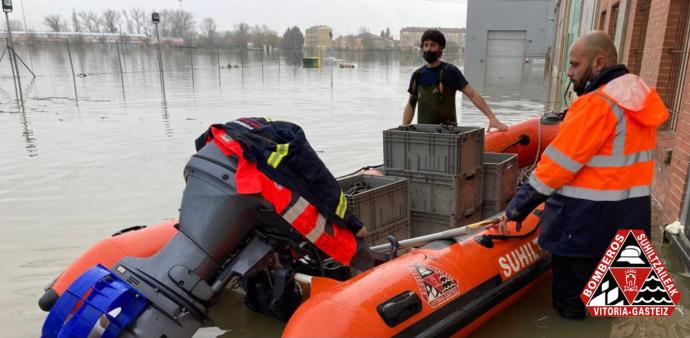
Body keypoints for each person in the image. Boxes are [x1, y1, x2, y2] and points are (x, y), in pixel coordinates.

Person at [496, 31, 669, 319]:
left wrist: (516, 207)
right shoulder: (638, 99)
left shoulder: (595, 105)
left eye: (575, 64)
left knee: (570, 309)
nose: (569, 71)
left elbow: (555, 167)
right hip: (629, 223)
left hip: (584, 227)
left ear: (598, 63)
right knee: (612, 310)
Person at [402, 29, 508, 131]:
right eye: (426, 45)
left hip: (448, 134)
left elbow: (472, 94)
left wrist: (492, 118)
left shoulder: (451, 71)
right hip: (424, 134)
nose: (428, 49)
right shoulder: (417, 75)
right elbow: (411, 105)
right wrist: (403, 129)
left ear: (440, 48)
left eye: (433, 45)